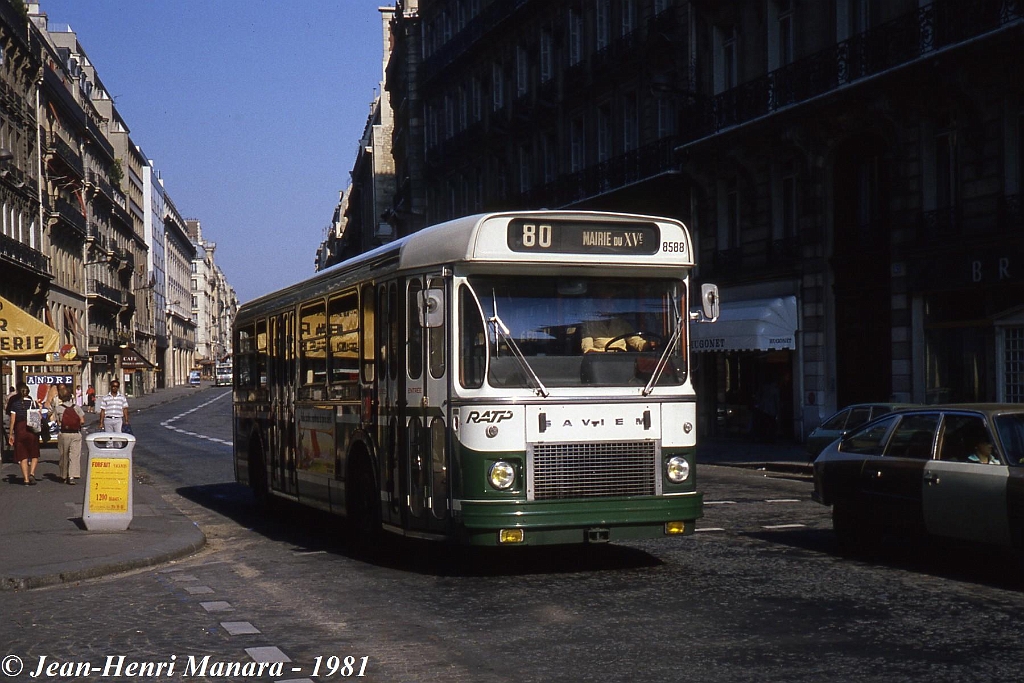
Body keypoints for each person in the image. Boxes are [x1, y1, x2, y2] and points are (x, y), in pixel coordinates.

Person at [580, 287, 651, 354]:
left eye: (611, 300)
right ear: (597, 303)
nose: (609, 304)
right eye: (605, 300)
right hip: (599, 363)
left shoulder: (621, 323)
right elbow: (588, 349)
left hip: (622, 361)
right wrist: (609, 353)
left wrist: (648, 345)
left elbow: (635, 340)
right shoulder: (589, 325)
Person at [6, 382, 40, 485]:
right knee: (34, 453)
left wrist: (11, 434)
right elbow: (39, 417)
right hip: (31, 429)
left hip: (20, 429)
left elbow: (12, 420)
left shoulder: (15, 404)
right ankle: (32, 473)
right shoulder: (33, 403)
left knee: (22, 455)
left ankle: (25, 479)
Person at [53, 384, 85, 485]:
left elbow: (57, 422)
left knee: (64, 455)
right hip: (76, 434)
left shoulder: (58, 408)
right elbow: (82, 421)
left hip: (64, 434)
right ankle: (72, 476)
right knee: (74, 456)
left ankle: (63, 475)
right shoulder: (77, 407)